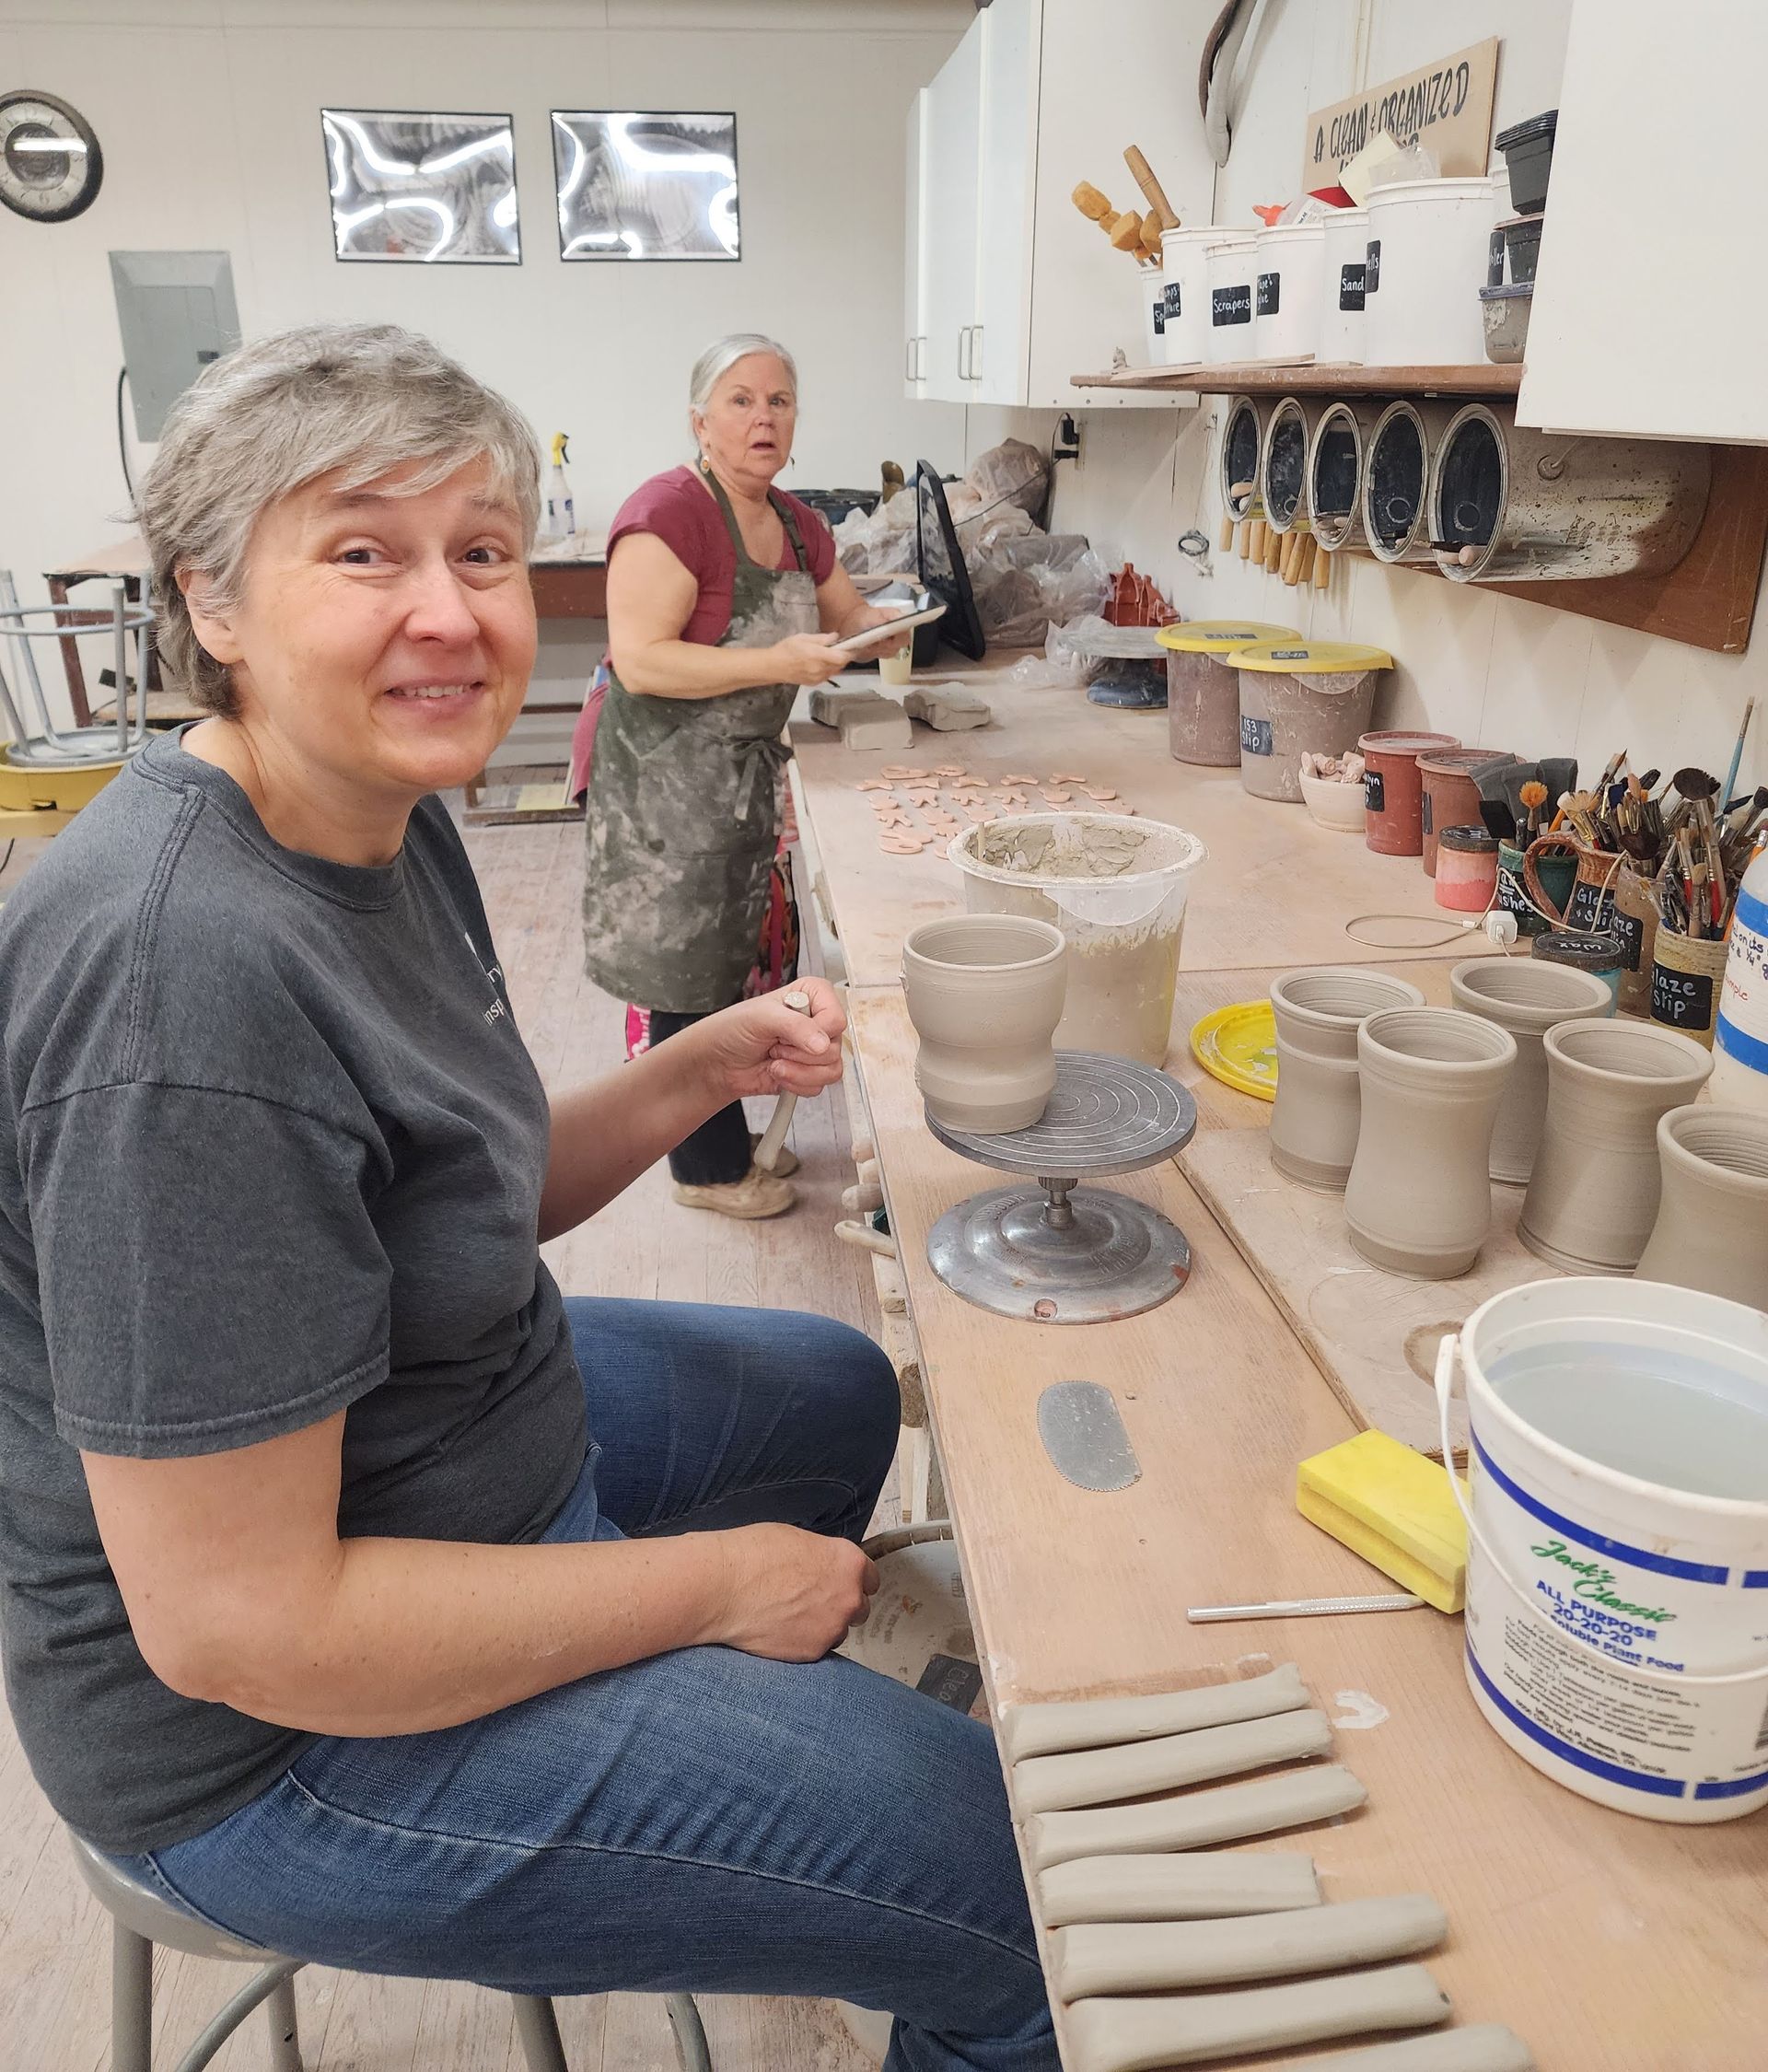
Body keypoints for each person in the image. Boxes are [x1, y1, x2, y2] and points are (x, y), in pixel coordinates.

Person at [0, 324, 1057, 2072]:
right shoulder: (179, 986)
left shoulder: (376, 812)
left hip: (436, 1454)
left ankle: (734, 1776)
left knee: (839, 1391)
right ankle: (894, 1895)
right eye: (363, 553)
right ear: (214, 604)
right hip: (275, 1744)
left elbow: (460, 1197)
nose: (453, 613)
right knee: (1023, 1892)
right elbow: (245, 1629)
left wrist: (688, 1070)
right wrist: (710, 1593)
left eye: (481, 552)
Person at [575, 333, 901, 1221]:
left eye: (780, 401)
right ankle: (707, 1174)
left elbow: (845, 613)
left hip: (739, 777)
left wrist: (883, 627)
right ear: (700, 420)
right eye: (741, 400)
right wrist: (775, 662)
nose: (764, 418)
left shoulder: (798, 524)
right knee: (681, 972)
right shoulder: (669, 513)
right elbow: (642, 662)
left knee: (724, 967)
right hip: (663, 782)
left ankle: (719, 1139)